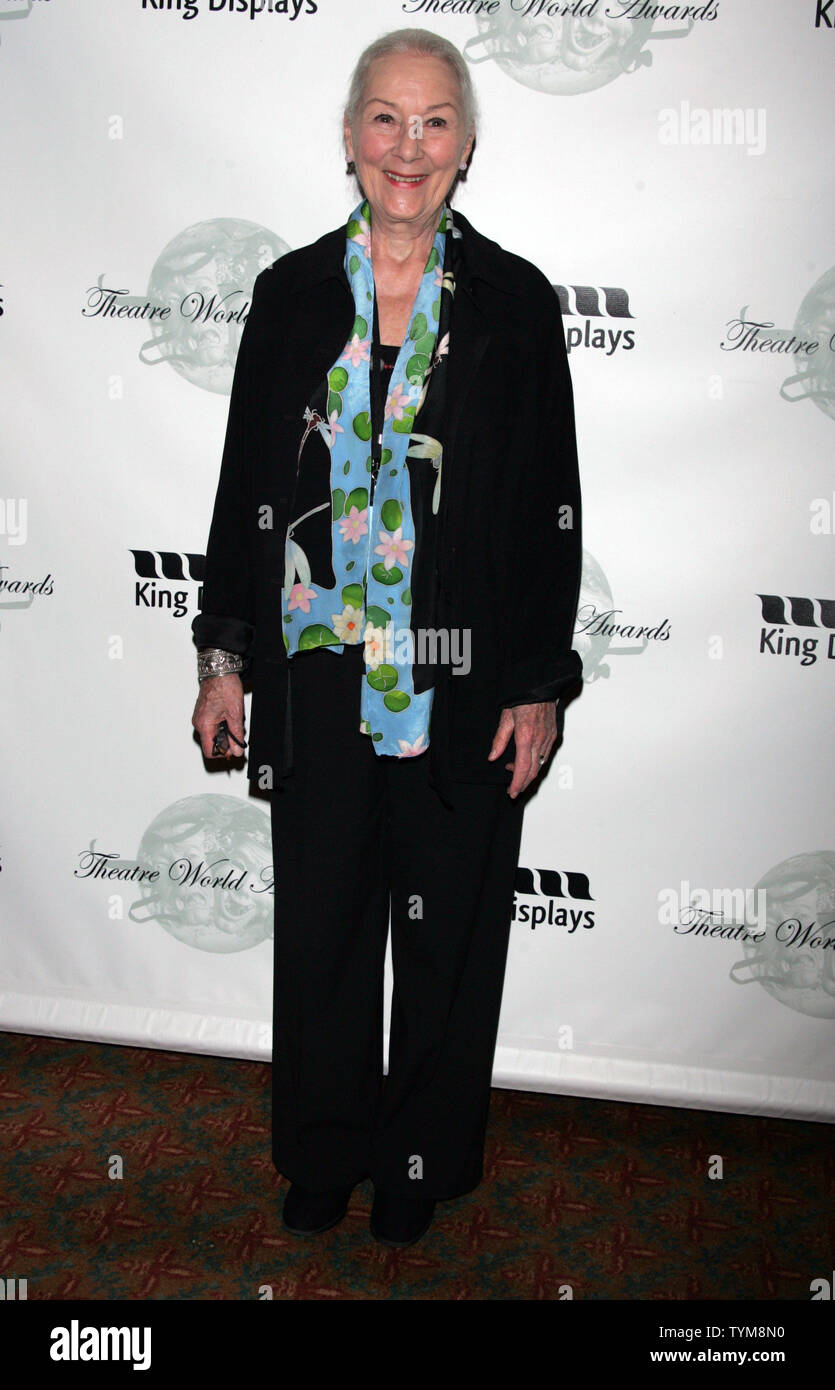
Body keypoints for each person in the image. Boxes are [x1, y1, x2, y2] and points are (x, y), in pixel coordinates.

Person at [191, 27, 582, 1249]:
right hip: (316, 683)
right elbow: (246, 482)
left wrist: (536, 683)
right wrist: (223, 652)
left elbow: (548, 506)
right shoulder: (290, 294)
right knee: (321, 933)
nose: (406, 148)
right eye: (384, 118)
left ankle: (415, 1158)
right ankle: (320, 1149)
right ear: (348, 136)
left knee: (448, 937)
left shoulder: (515, 304)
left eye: (432, 122)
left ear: (467, 146)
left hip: (461, 683)